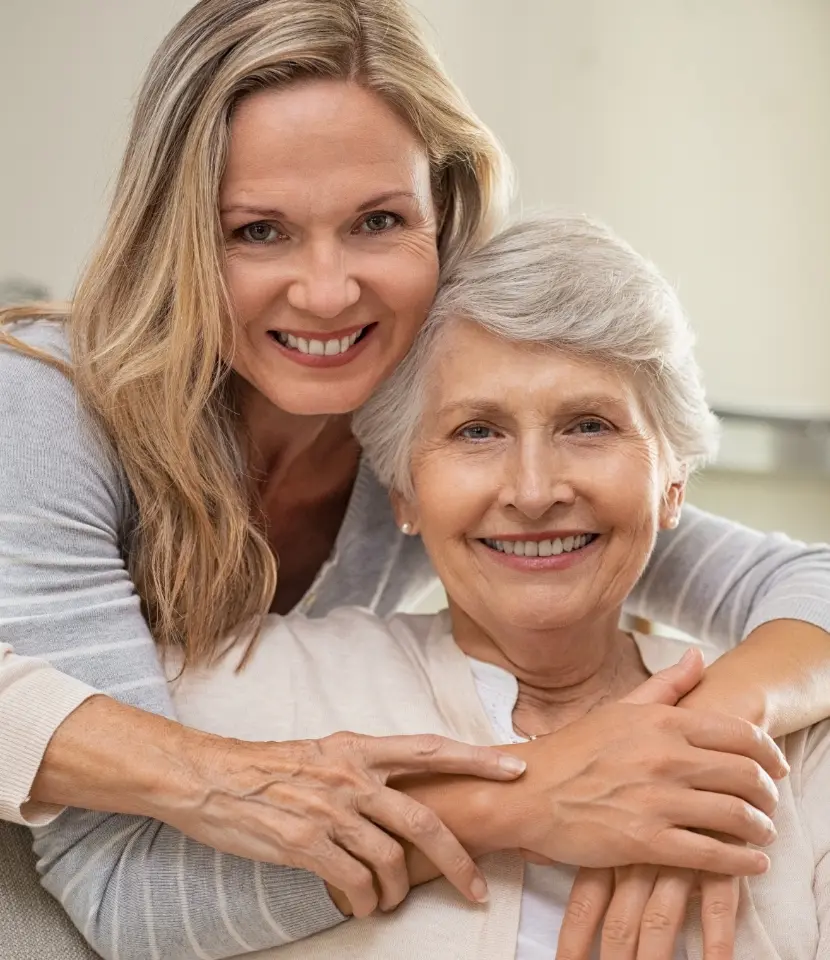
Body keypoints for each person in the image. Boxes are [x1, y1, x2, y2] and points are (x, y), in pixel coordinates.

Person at [0, 0, 829, 956]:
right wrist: (529, 795)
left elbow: (791, 581)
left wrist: (686, 753)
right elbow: (123, 889)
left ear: (446, 211)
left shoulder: (423, 424)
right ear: (177, 232)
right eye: (258, 231)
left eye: (377, 221)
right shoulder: (46, 405)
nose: (327, 290)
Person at [153, 214, 829, 960]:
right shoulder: (250, 686)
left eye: (589, 426)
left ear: (673, 484)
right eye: (477, 432)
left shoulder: (802, 746)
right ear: (404, 492)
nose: (534, 492)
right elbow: (128, 911)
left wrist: (698, 739)